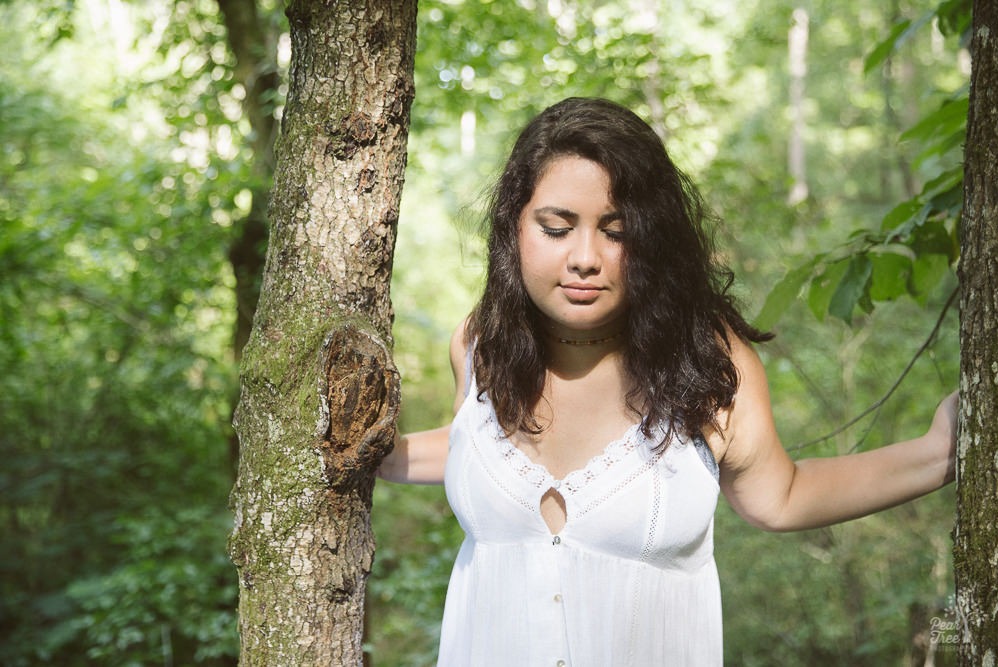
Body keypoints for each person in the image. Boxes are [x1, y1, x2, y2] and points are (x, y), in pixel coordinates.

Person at [377, 97, 957, 666]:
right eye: (556, 228)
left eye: (617, 231)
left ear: (652, 237)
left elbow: (781, 496)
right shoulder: (480, 345)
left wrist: (937, 454)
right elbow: (466, 446)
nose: (586, 257)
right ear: (515, 228)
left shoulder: (706, 363)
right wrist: (370, 449)